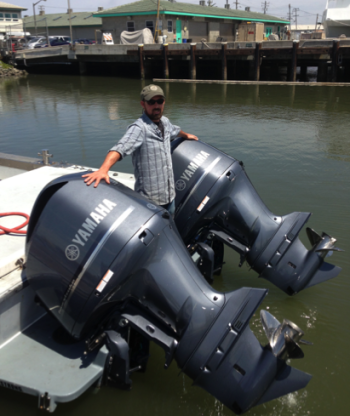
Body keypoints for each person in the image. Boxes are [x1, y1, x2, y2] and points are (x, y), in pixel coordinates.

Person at [82, 84, 198, 216]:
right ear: (143, 104)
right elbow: (120, 148)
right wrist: (103, 169)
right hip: (150, 203)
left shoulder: (165, 122)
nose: (156, 106)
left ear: (164, 102)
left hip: (170, 197)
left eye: (159, 101)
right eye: (151, 102)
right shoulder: (139, 128)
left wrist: (186, 135)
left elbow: (175, 130)